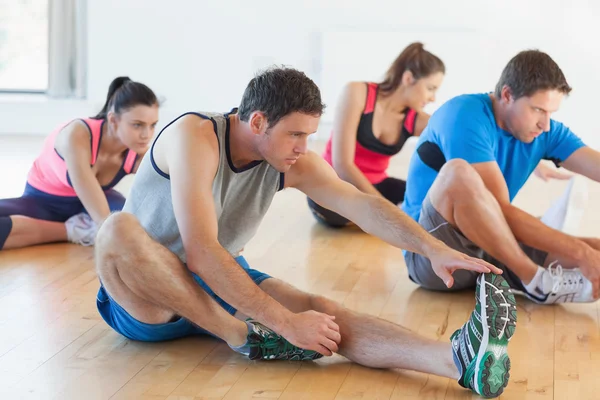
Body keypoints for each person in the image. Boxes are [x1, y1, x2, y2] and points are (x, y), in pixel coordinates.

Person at [94, 66, 516, 398]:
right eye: (295, 134)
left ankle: (458, 360)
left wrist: (433, 247)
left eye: (309, 135)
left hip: (217, 285)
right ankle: (243, 337)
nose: (303, 147)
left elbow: (361, 206)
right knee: (117, 230)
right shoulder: (195, 137)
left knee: (321, 312)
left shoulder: (293, 161)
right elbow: (200, 252)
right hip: (148, 296)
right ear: (257, 122)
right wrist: (284, 323)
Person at [401, 49, 600, 305]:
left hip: (490, 251)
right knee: (457, 173)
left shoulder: (545, 131)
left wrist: (586, 252)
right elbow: (501, 211)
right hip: (434, 259)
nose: (546, 124)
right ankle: (533, 280)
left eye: (551, 112)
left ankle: (535, 271)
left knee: (596, 251)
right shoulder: (464, 115)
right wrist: (578, 252)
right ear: (507, 95)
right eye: (538, 109)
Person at [0, 76, 159, 251]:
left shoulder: (137, 152)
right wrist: (109, 232)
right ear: (113, 120)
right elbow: (103, 218)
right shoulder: (77, 134)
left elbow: (165, 195)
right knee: (119, 229)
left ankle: (83, 228)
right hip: (44, 203)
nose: (147, 134)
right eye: (137, 125)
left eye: (152, 125)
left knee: (146, 226)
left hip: (96, 203)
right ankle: (71, 231)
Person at [307, 42, 444, 227]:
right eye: (430, 88)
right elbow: (342, 165)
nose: (433, 98)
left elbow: (451, 136)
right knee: (339, 213)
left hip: (376, 185)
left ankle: (378, 218)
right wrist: (388, 211)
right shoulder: (357, 93)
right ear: (408, 78)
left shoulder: (416, 119)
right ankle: (380, 217)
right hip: (333, 186)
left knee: (432, 199)